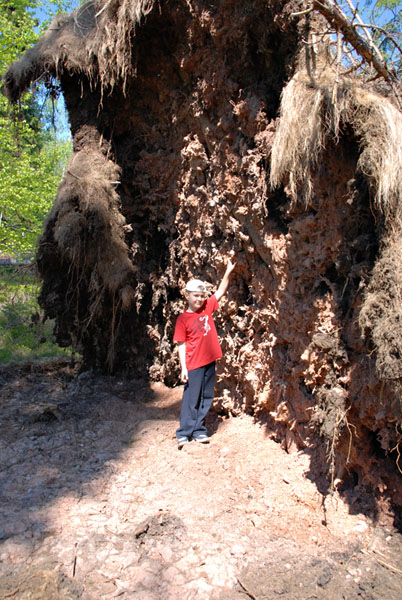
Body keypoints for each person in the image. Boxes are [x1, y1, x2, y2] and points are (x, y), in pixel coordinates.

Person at [173, 257, 236, 449]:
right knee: (191, 398)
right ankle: (184, 432)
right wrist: (184, 368)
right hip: (193, 364)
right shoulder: (183, 318)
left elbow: (221, 291)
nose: (199, 299)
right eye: (195, 296)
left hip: (209, 360)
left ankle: (199, 430)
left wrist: (228, 270)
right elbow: (181, 345)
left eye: (201, 296)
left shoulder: (207, 307)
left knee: (206, 396)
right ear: (187, 296)